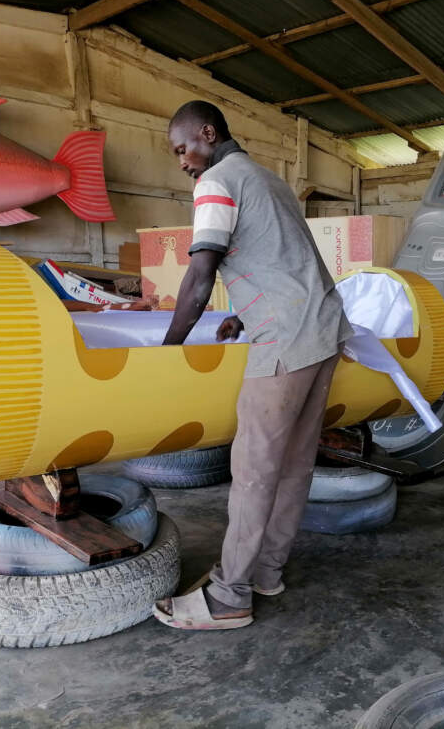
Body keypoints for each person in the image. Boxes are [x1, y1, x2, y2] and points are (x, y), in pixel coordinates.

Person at [152, 100, 353, 630]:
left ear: (207, 133)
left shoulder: (216, 181)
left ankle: (229, 596)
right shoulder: (269, 180)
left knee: (253, 472)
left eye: (182, 148)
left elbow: (199, 279)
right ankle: (266, 572)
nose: (182, 162)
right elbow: (282, 258)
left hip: (286, 340)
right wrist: (241, 316)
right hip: (323, 329)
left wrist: (167, 352)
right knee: (293, 465)